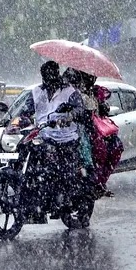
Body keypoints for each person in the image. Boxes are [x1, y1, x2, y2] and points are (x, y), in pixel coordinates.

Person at [22, 61, 86, 212]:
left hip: (66, 137)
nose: (49, 79)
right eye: (46, 75)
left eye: (52, 74)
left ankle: (66, 197)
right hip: (43, 135)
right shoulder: (36, 92)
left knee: (63, 171)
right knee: (29, 156)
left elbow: (80, 109)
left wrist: (69, 116)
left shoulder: (70, 92)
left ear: (57, 74)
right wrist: (19, 120)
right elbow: (25, 111)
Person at [64, 68, 122, 198]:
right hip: (78, 130)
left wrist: (101, 107)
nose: (93, 79)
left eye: (93, 77)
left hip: (93, 130)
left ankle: (98, 182)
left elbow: (98, 111)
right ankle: (95, 181)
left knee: (111, 148)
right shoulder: (70, 93)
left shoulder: (93, 93)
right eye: (90, 76)